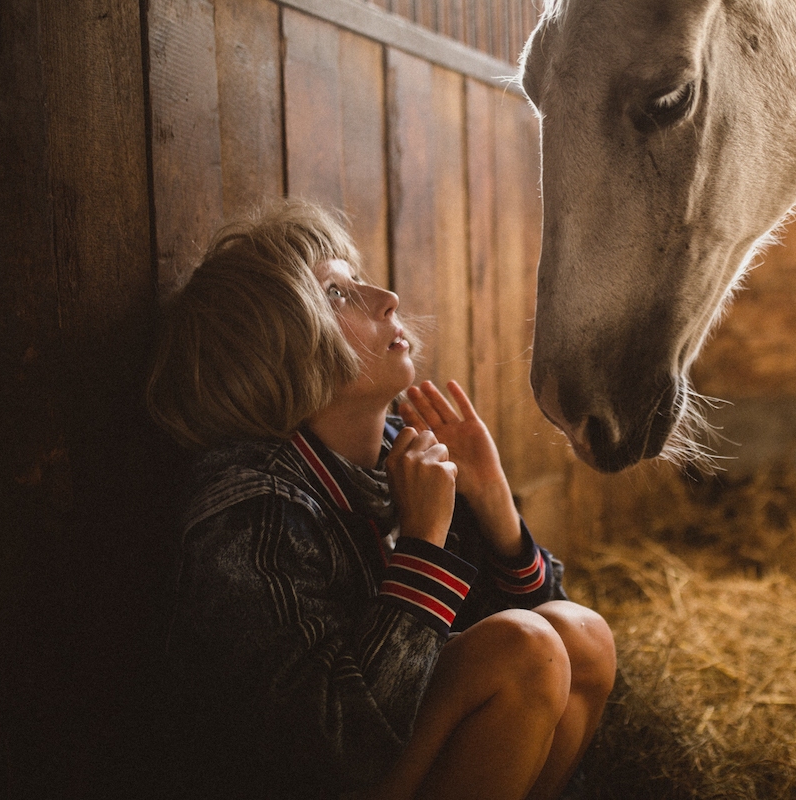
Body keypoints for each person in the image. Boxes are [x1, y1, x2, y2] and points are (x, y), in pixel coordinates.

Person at [146, 200, 616, 800]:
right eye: (337, 294)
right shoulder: (249, 509)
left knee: (580, 636)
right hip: (324, 768)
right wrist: (422, 546)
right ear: (276, 348)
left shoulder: (406, 453)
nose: (386, 297)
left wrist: (494, 499)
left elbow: (558, 669)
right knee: (521, 649)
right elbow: (335, 749)